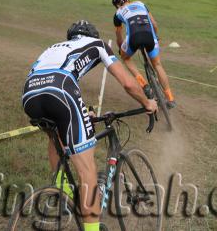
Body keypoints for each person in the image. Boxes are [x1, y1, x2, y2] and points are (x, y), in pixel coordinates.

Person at [22, 20, 157, 231]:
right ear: (93, 35)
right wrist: (147, 102)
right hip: (61, 91)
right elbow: (129, 83)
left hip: (30, 94)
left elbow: (54, 81)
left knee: (55, 133)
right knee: (87, 171)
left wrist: (84, 111)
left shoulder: (54, 47)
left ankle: (63, 190)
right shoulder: (98, 44)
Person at [111, 0, 177, 109]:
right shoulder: (141, 4)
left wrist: (121, 50)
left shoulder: (118, 13)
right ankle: (170, 98)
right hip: (149, 37)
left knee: (126, 58)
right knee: (157, 65)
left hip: (134, 38)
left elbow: (119, 36)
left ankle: (143, 83)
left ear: (117, 4)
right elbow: (154, 24)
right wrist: (156, 37)